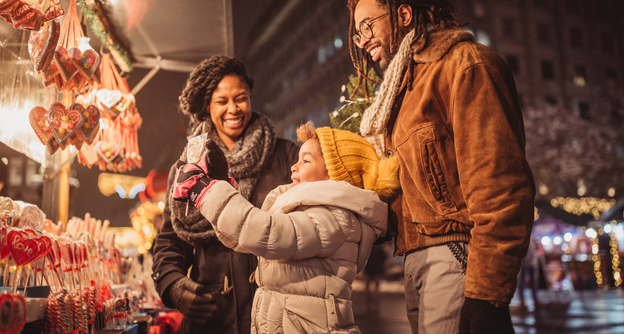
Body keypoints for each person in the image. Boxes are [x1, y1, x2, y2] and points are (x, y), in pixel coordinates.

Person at [348, 0, 536, 333]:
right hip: (416, 259)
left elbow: (500, 188)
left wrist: (485, 296)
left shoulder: (464, 65)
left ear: (403, 15)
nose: (362, 41)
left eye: (367, 26)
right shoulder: (403, 89)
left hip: (455, 256)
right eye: (357, 32)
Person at [171, 122, 400, 333]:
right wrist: (219, 185)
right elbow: (245, 238)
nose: (294, 167)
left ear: (333, 173)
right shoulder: (310, 210)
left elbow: (268, 233)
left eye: (305, 161)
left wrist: (204, 192)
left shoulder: (334, 218)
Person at [151, 56, 299, 334]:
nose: (233, 109)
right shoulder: (186, 169)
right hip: (212, 317)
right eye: (222, 101)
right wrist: (175, 286)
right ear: (207, 106)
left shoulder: (286, 156)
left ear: (251, 96)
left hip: (278, 314)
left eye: (240, 98)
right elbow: (170, 242)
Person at [518, 236, 541, 311]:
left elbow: (537, 247)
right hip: (524, 264)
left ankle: (535, 299)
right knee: (522, 282)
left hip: (533, 263)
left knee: (534, 282)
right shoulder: (523, 236)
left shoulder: (533, 237)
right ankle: (522, 300)